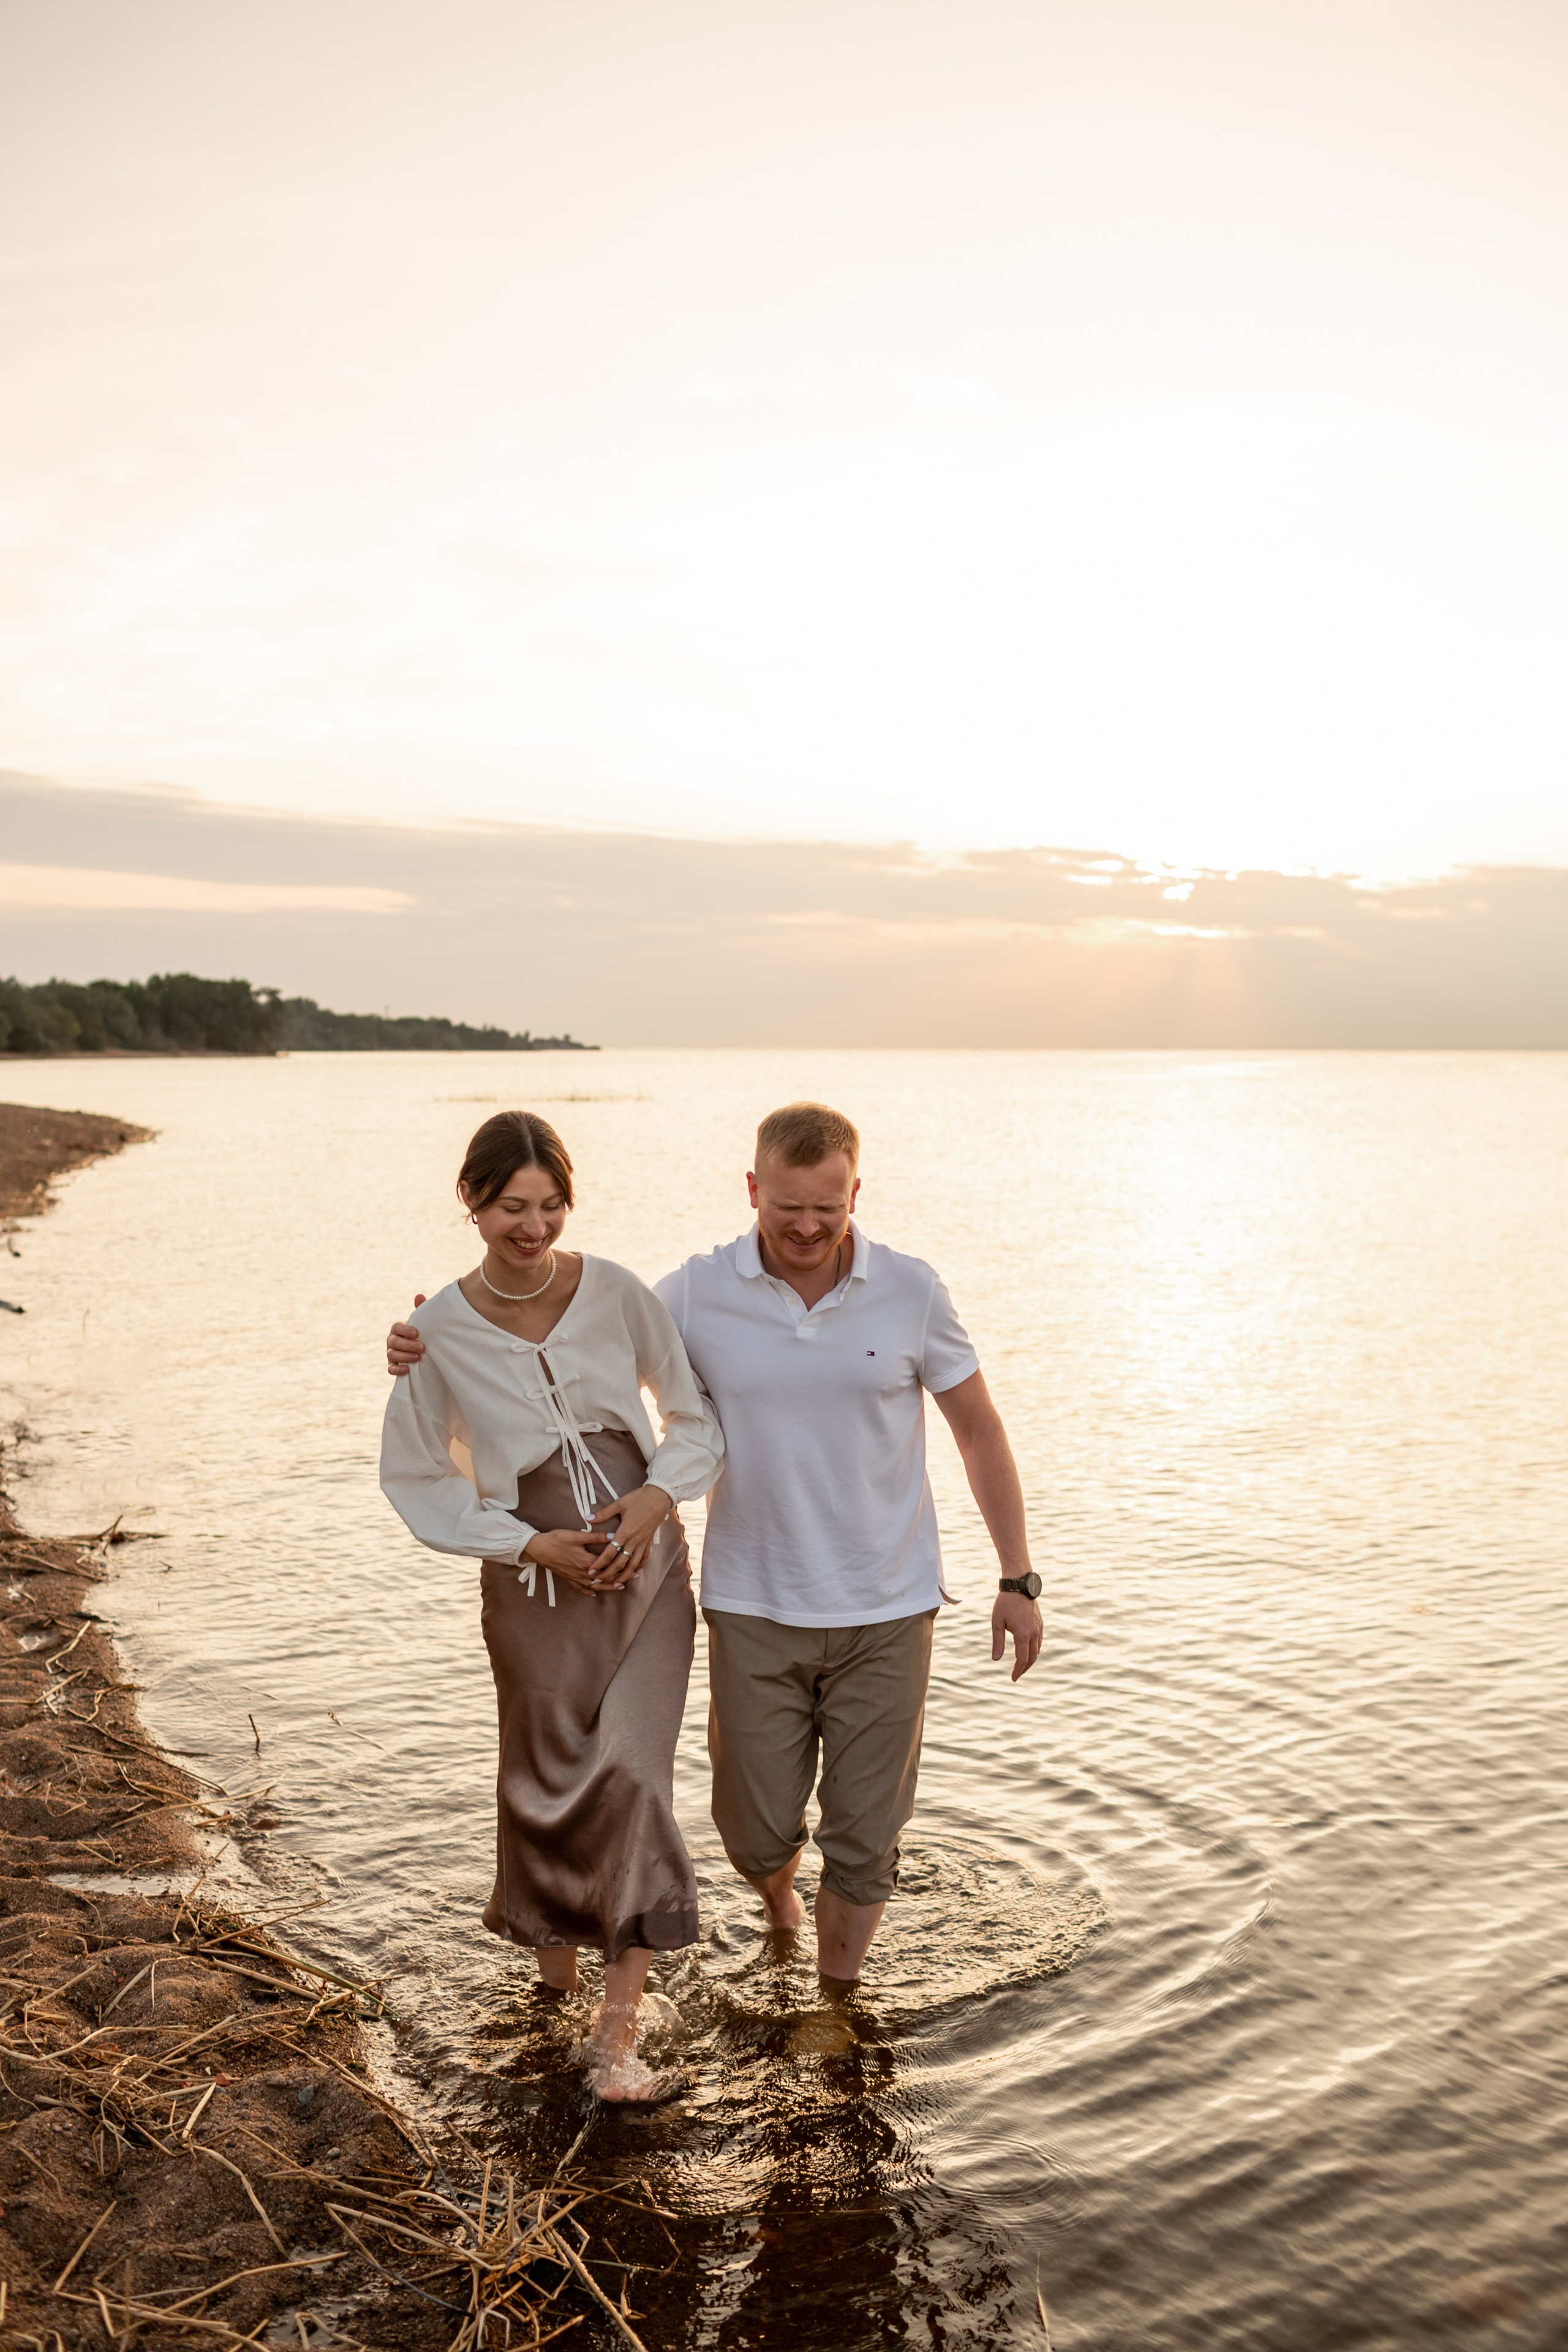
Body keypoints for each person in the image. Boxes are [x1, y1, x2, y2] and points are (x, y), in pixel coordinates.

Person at [388, 1099, 1042, 1987]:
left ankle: (833, 2003)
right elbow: (567, 1333)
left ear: (858, 1194)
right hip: (750, 1600)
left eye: (830, 1207)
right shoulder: (693, 1290)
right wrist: (440, 1332)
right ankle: (777, 1907)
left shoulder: (911, 1289)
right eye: (787, 1207)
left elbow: (977, 1430)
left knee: (857, 1831)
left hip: (886, 1601)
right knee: (751, 1829)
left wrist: (1017, 1577)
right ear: (753, 1191)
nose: (808, 1227)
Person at [379, 1109, 724, 2099]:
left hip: (644, 1570)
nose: (532, 1227)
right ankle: (554, 1994)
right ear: (473, 1204)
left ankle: (616, 2037)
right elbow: (417, 1479)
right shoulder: (433, 1330)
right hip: (532, 1586)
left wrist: (656, 1502)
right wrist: (532, 1543)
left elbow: (693, 1416)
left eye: (549, 1206)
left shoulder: (616, 1293)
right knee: (543, 1785)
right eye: (510, 1208)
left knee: (634, 1775)